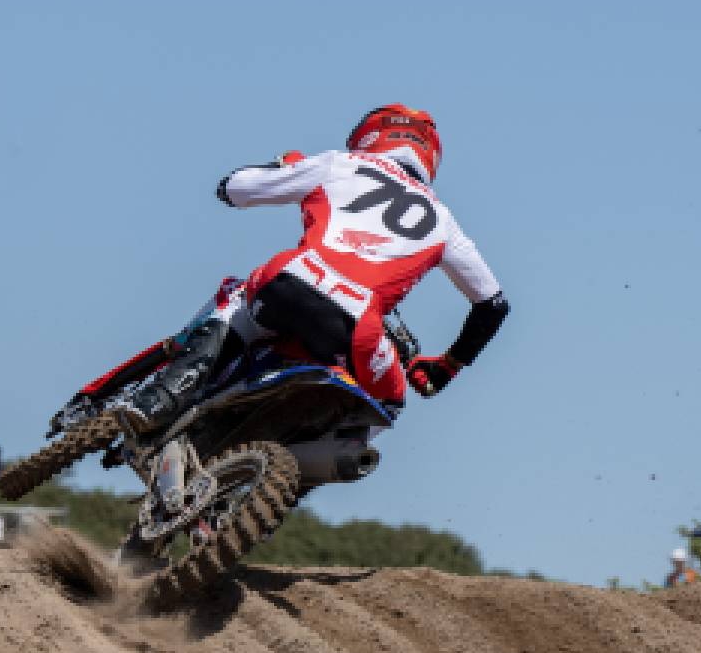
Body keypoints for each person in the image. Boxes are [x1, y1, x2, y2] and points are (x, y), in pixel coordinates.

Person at [92, 105, 509, 430]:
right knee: (389, 403)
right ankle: (299, 469)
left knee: (236, 300)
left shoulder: (340, 164)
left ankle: (161, 397)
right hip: (359, 326)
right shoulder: (443, 220)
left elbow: (234, 189)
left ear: (369, 136)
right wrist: (447, 366)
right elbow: (493, 305)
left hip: (290, 281)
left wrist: (281, 166)